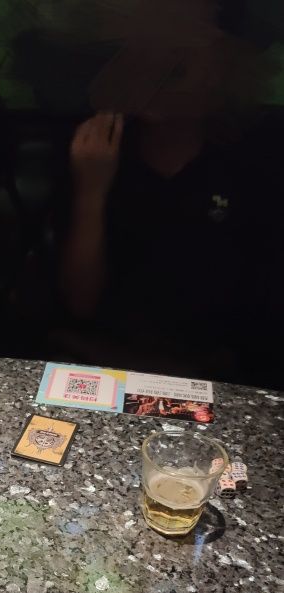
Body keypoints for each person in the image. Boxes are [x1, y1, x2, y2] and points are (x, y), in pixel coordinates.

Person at [50, 6, 283, 384]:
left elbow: (255, 317)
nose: (156, 72)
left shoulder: (251, 161)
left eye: (179, 62)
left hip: (214, 375)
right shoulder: (100, 151)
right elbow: (80, 305)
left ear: (226, 70)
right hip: (104, 362)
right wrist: (91, 193)